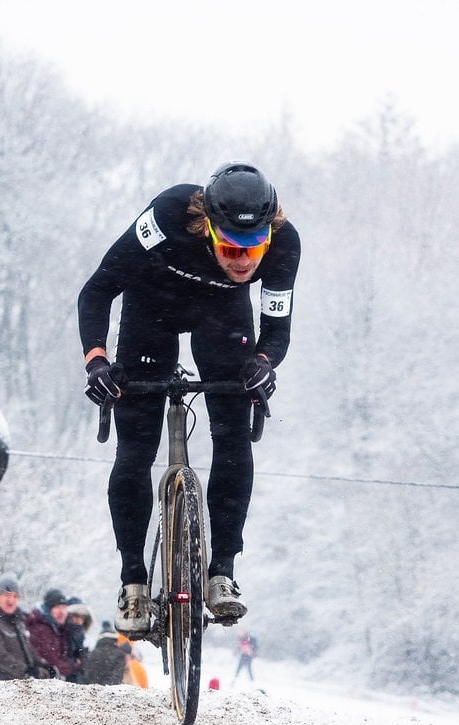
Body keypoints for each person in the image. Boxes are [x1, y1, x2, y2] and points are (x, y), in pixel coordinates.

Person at [78, 161, 300, 634]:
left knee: (234, 440)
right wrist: (97, 360)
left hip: (221, 319)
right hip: (150, 309)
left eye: (252, 250)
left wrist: (263, 364)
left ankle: (222, 571)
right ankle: (133, 582)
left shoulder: (285, 244)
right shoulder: (167, 217)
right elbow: (97, 291)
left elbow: (276, 329)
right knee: (135, 450)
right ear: (206, 228)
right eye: (229, 248)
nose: (242, 262)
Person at [0, 574, 53, 682]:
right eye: (7, 595)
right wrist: (27, 671)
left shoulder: (17, 621)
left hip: (15, 687)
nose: (11, 600)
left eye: (15, 596)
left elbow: (27, 650)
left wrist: (43, 665)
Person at [25, 588, 75, 680]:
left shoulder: (59, 629)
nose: (62, 612)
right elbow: (50, 660)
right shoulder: (40, 629)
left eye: (64, 607)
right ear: (48, 609)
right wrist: (73, 667)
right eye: (57, 607)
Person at [80, 620, 131, 686]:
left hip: (92, 691)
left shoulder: (92, 653)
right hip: (110, 692)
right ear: (114, 639)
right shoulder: (119, 654)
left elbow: (87, 676)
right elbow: (116, 677)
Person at [65, 596, 93, 682]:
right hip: (68, 675)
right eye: (75, 616)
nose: (79, 620)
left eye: (82, 617)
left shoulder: (82, 636)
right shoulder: (64, 633)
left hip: (77, 675)